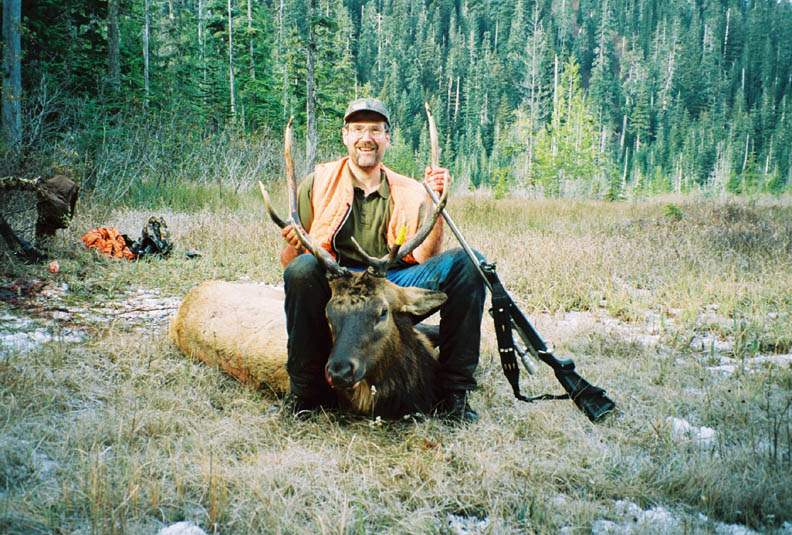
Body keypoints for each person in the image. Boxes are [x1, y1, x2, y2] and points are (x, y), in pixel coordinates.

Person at [279, 98, 485, 423]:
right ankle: (305, 394)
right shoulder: (316, 184)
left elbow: (425, 256)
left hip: (390, 284)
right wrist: (293, 243)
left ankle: (455, 393)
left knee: (468, 264)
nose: (367, 137)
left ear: (387, 138)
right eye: (358, 129)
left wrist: (434, 203)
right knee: (302, 269)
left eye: (375, 130)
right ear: (345, 136)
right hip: (338, 287)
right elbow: (290, 263)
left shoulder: (410, 190)